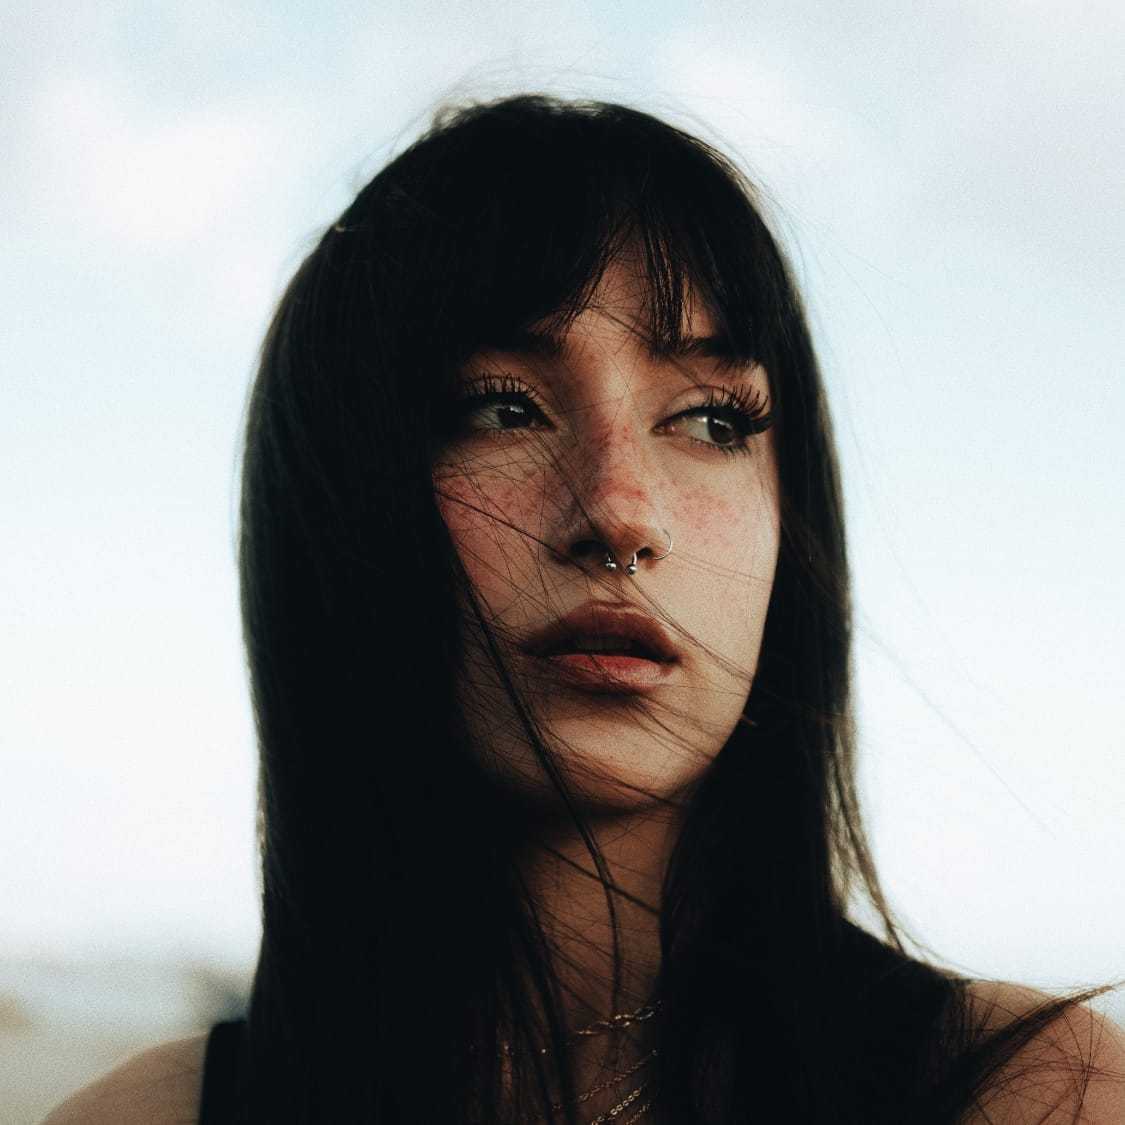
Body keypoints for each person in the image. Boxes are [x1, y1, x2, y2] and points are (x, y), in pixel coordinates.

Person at [44, 94, 1125, 1125]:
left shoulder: (1043, 1098)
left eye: (710, 421)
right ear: (342, 499)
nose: (617, 511)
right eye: (501, 407)